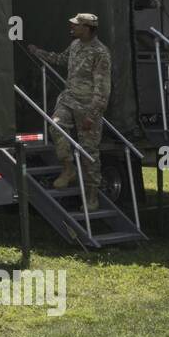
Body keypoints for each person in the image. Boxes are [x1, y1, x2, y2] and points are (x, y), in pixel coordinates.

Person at [26, 13, 111, 209]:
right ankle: (68, 168)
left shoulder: (100, 53)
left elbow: (103, 88)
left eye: (76, 25)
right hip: (69, 99)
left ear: (87, 28)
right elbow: (60, 59)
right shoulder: (75, 46)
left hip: (88, 107)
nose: (72, 27)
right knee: (56, 126)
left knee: (89, 152)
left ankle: (91, 197)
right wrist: (38, 52)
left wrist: (93, 115)